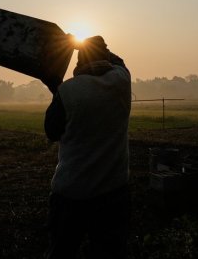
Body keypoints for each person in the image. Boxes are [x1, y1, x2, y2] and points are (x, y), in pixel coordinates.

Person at [42, 36, 132, 259]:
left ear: (78, 63)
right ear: (105, 56)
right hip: (113, 191)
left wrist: (55, 88)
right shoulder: (122, 80)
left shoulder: (67, 91)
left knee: (61, 251)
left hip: (70, 192)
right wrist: (93, 46)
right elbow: (118, 60)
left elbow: (51, 131)